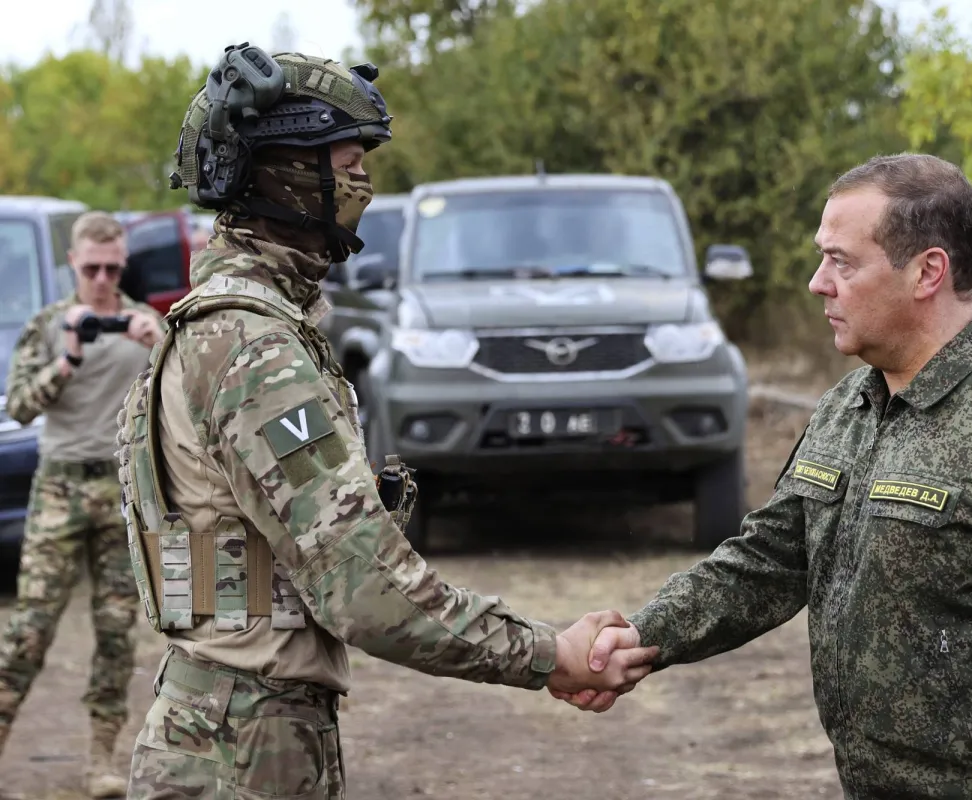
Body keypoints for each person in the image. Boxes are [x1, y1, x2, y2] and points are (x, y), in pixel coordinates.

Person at [116, 44, 654, 799]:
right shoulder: (252, 347)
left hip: (230, 727)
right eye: (346, 162)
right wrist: (548, 654)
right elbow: (363, 585)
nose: (362, 183)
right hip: (242, 749)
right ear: (284, 173)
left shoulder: (226, 326)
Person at [557, 154, 972, 799]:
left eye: (842, 262)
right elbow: (769, 560)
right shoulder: (847, 406)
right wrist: (642, 638)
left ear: (928, 272)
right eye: (821, 258)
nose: (817, 283)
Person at [1, 211, 165, 798]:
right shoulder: (49, 325)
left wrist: (160, 347)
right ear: (72, 263)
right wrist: (67, 357)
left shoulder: (145, 324)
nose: (101, 280)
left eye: (112, 269)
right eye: (91, 268)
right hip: (60, 487)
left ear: (123, 266)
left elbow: (187, 402)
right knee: (30, 627)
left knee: (117, 632)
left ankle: (101, 759)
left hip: (122, 492)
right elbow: (20, 406)